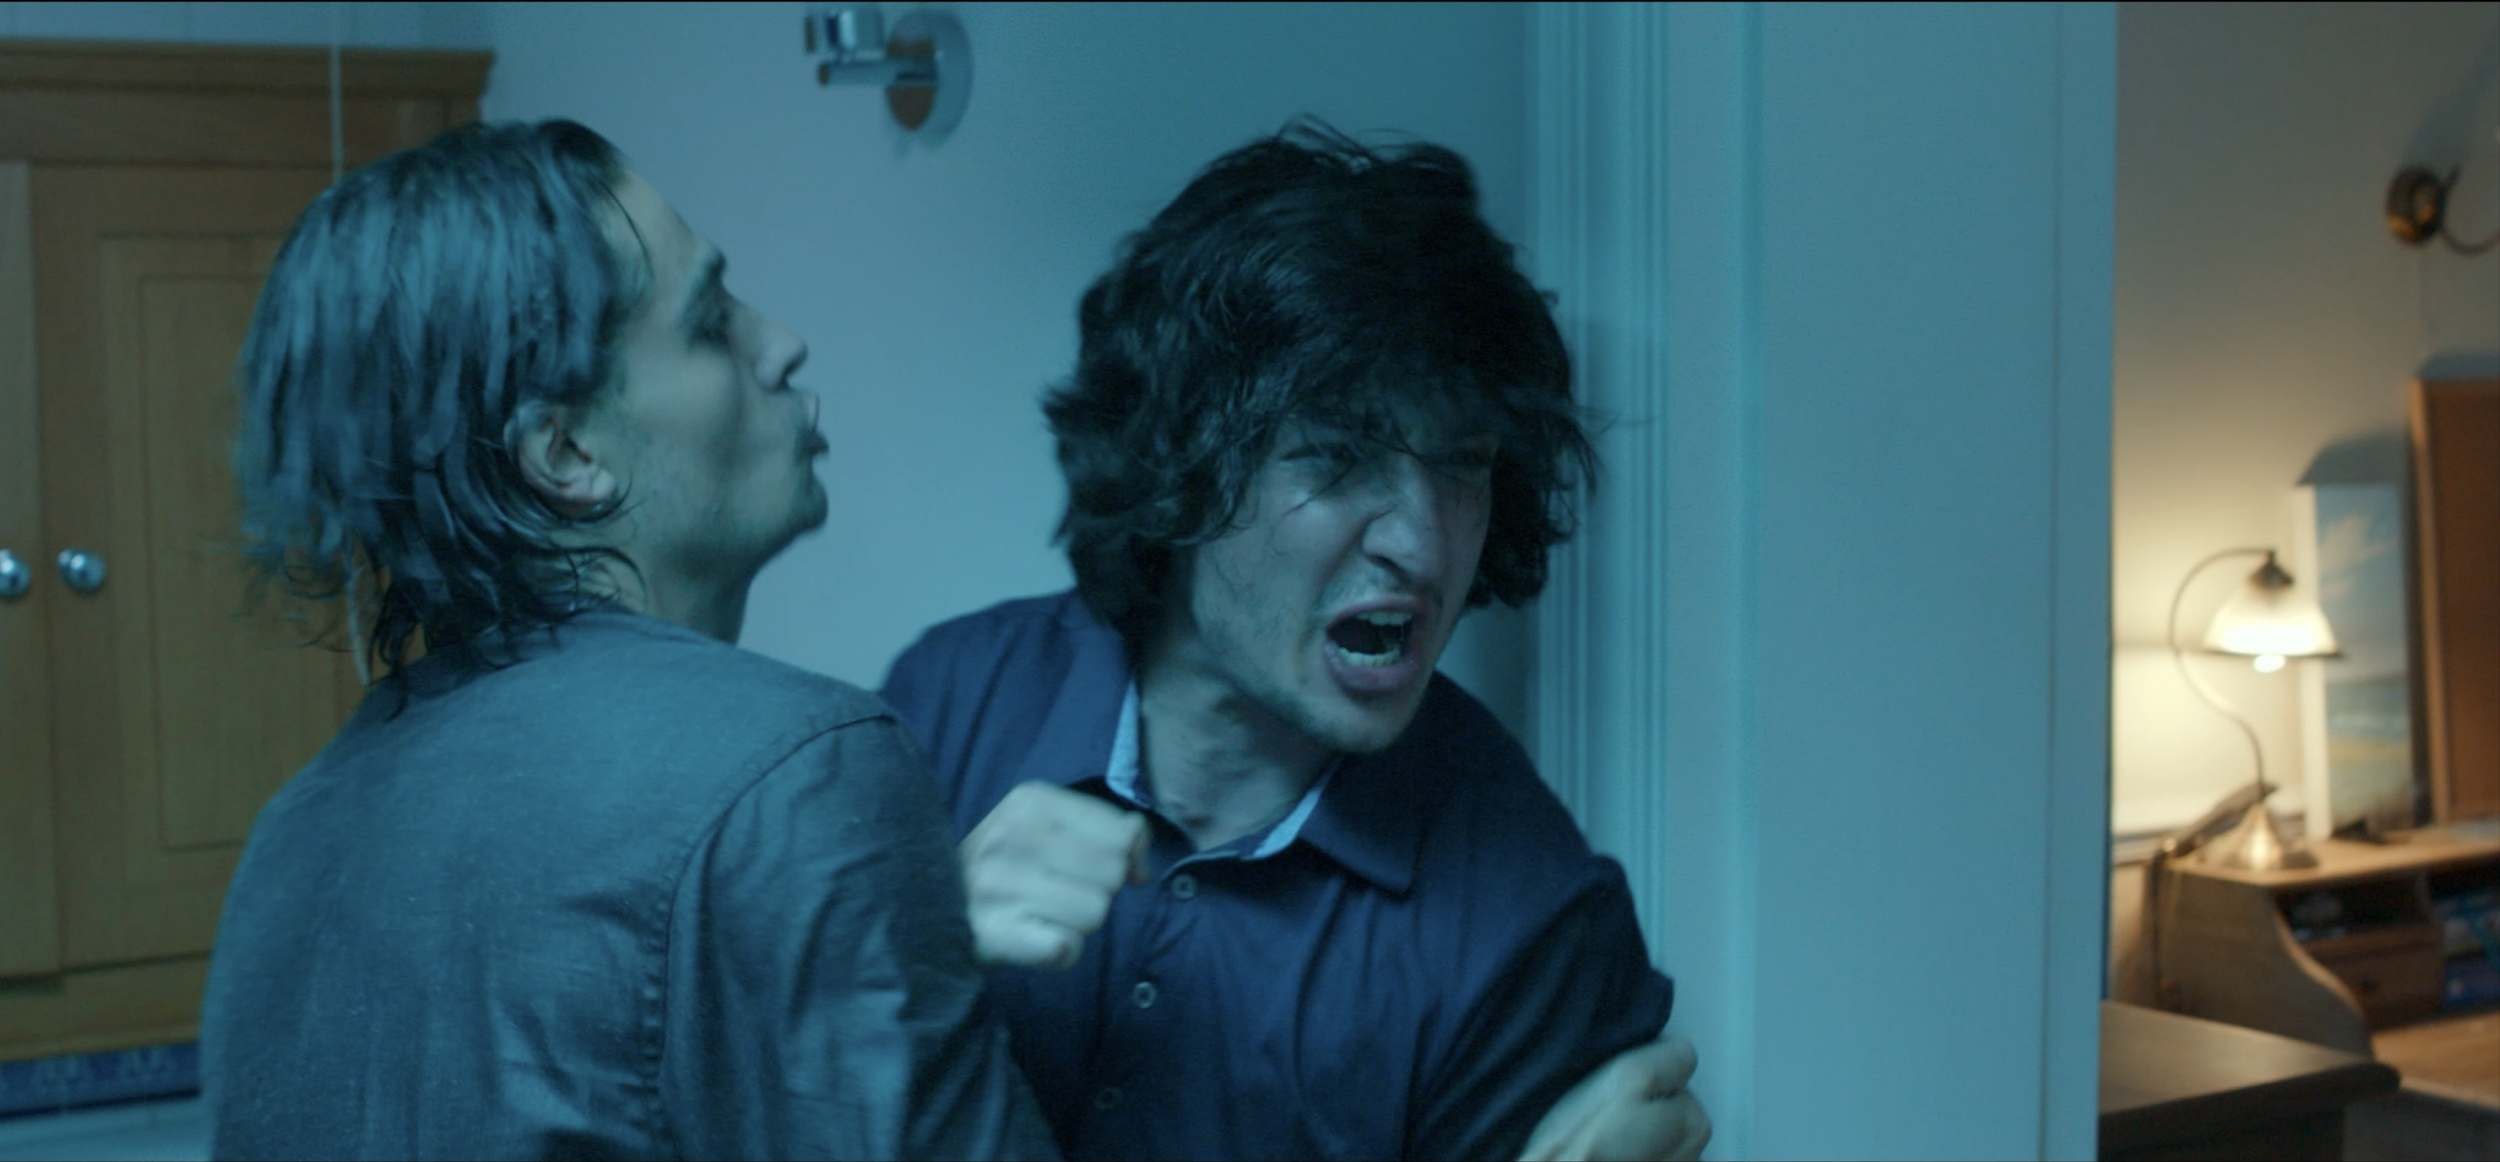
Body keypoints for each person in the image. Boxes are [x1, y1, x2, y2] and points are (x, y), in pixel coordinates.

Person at [200, 119, 1054, 1160]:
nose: (780, 343)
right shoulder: (801, 769)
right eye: (710, 321)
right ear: (566, 452)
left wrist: (890, 941)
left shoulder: (291, 837)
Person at [881, 121, 1713, 1161]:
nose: (1423, 543)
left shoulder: (1533, 923)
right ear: (1179, 468)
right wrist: (904, 963)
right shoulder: (945, 706)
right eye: (1338, 457)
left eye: (1461, 465)